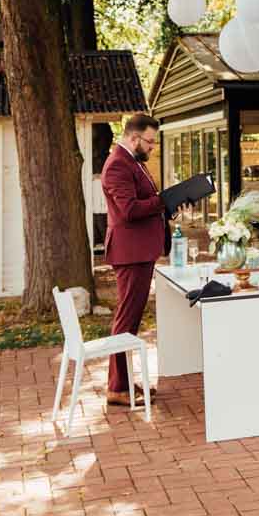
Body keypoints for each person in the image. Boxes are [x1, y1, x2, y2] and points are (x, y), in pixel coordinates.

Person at [101, 112, 168, 407]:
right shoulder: (117, 164)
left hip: (140, 250)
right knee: (126, 320)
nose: (152, 148)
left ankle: (124, 380)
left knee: (131, 320)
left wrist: (170, 205)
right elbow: (129, 210)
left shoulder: (132, 163)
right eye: (150, 142)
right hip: (131, 252)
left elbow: (147, 203)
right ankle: (117, 388)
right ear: (134, 137)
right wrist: (164, 200)